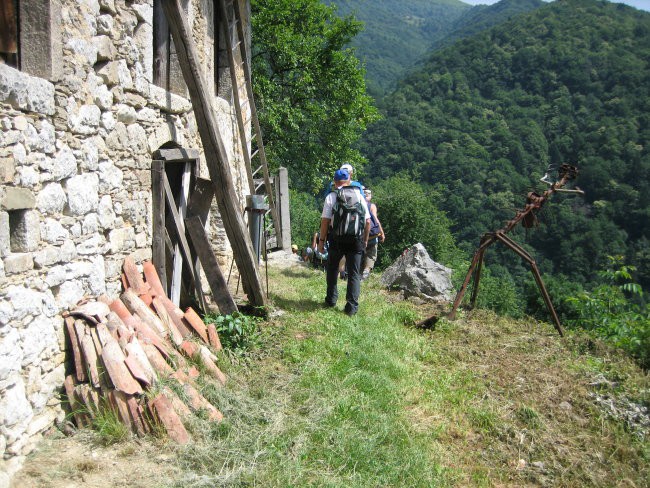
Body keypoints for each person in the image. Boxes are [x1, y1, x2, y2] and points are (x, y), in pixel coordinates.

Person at [319, 168, 370, 316]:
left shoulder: (331, 196)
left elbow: (325, 221)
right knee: (354, 273)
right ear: (349, 180)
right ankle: (351, 307)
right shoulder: (359, 196)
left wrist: (321, 241)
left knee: (333, 268)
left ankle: (331, 300)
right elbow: (367, 222)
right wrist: (365, 240)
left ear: (335, 182)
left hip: (337, 239)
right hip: (356, 239)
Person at [361, 187, 385, 280]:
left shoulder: (357, 204)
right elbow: (375, 220)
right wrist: (381, 232)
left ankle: (355, 274)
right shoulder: (372, 206)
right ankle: (366, 271)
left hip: (360, 236)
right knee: (371, 255)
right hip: (372, 235)